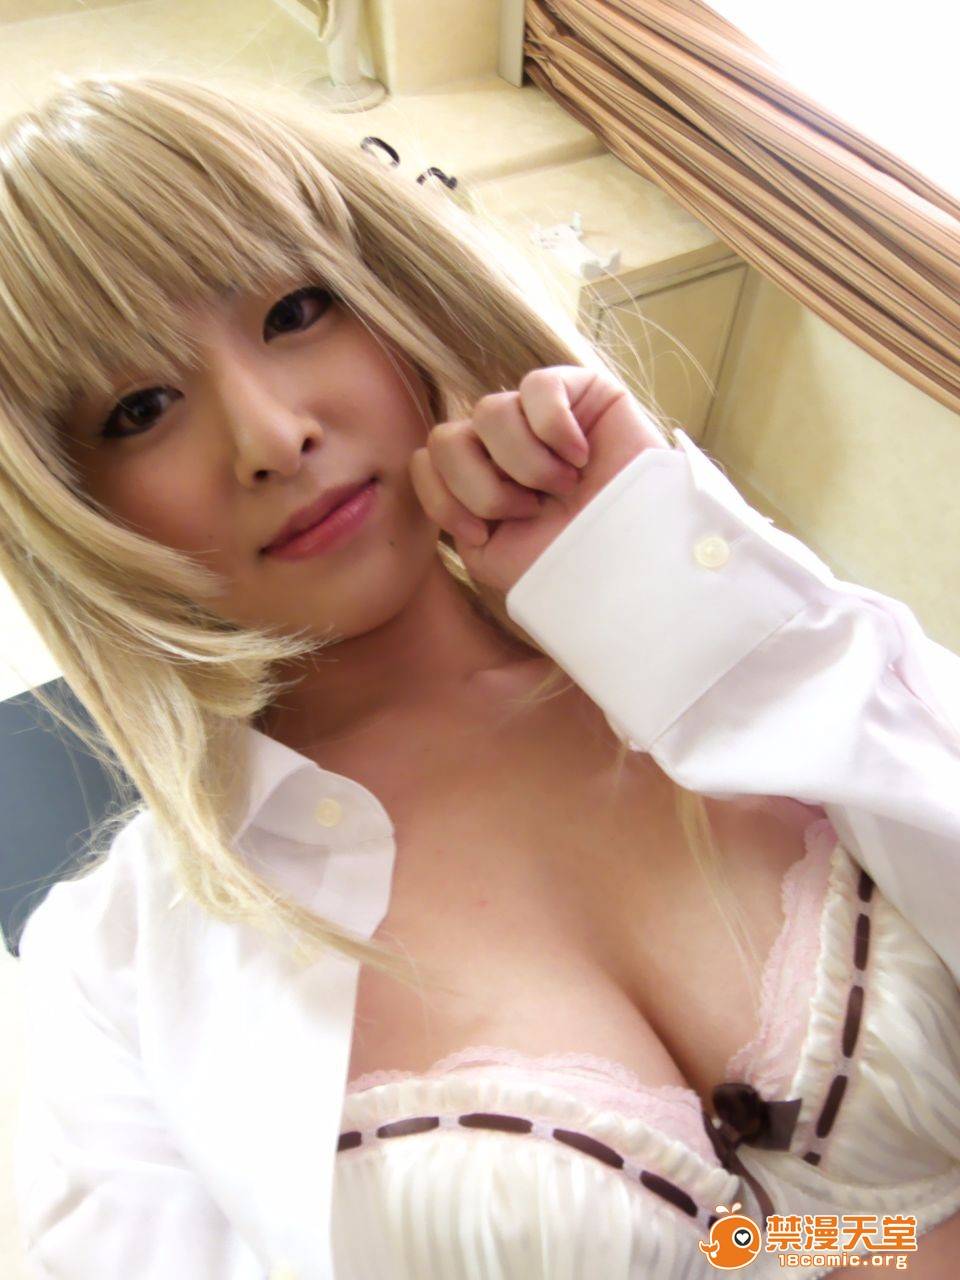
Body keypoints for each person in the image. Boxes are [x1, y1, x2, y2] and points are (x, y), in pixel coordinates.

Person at [3, 71, 960, 1280]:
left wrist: (677, 589)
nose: (273, 435)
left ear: (392, 292)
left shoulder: (738, 633)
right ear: (73, 502)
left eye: (296, 309)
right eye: (140, 407)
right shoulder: (117, 970)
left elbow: (780, 1248)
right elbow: (755, 1253)